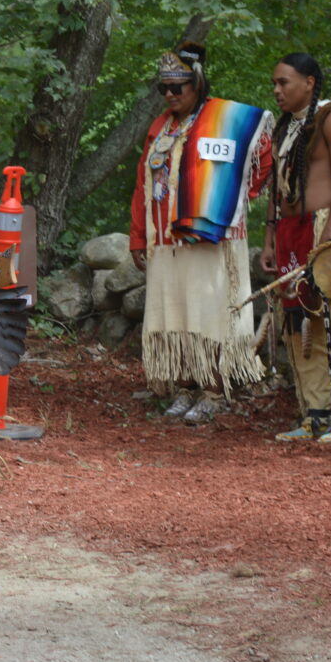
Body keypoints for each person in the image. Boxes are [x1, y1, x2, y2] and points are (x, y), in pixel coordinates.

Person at [129, 43, 272, 423]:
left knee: (209, 310)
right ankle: (185, 385)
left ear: (198, 83)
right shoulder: (160, 126)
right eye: (164, 88)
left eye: (180, 86)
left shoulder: (225, 118)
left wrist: (238, 199)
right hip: (167, 241)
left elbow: (262, 157)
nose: (172, 94)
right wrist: (138, 236)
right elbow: (142, 183)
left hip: (211, 240)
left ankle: (213, 388)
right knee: (175, 311)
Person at [261, 53, 331, 442]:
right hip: (291, 232)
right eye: (274, 83)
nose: (277, 90)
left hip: (326, 229)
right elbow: (278, 188)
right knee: (298, 324)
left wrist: (330, 240)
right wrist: (270, 238)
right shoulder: (286, 126)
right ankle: (316, 413)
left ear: (309, 82)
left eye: (284, 82)